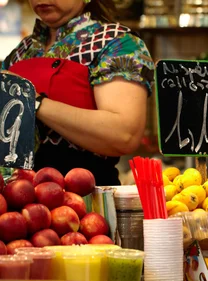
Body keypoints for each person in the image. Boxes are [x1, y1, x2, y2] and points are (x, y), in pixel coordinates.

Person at [1, 0, 154, 185]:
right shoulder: (22, 51)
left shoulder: (116, 42)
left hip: (86, 199)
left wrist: (32, 101)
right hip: (18, 200)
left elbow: (124, 134)